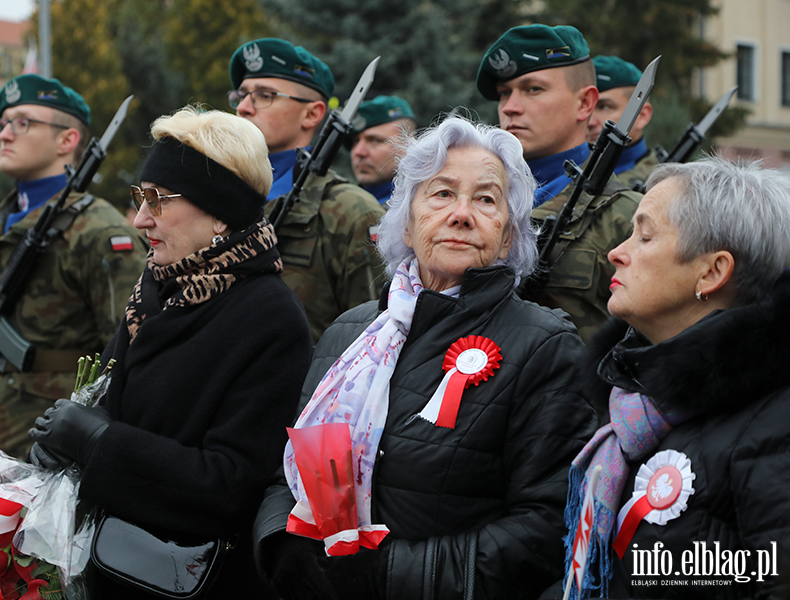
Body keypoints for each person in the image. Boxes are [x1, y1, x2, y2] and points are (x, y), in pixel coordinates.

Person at [253, 116, 597, 600]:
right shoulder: (347, 333)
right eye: (441, 194)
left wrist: (388, 574)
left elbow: (546, 524)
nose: (461, 214)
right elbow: (283, 473)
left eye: (485, 199)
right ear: (408, 224)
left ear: (507, 237)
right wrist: (282, 549)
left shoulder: (544, 345)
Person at [27, 107, 313, 599]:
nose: (140, 219)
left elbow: (232, 485)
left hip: (194, 582)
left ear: (220, 211)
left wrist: (99, 444)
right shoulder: (158, 289)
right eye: (140, 198)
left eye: (158, 201)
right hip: (111, 566)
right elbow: (117, 402)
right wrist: (64, 445)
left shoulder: (271, 318)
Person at [560, 158, 790, 599]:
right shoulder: (626, 404)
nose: (617, 252)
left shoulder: (773, 423)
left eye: (645, 236)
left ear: (711, 272)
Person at [0, 74, 146, 458]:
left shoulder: (100, 233)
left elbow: (128, 356)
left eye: (23, 122)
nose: (5, 134)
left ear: (67, 140)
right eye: (3, 123)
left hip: (46, 452)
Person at [476, 24, 642, 341]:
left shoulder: (627, 218)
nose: (509, 107)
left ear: (584, 104)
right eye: (504, 93)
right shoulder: (474, 202)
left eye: (532, 89)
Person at [228, 37, 385, 341]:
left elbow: (371, 340)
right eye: (242, 95)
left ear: (312, 114)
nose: (244, 108)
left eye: (263, 95)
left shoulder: (350, 213)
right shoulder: (214, 196)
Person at [586, 56, 658, 192]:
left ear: (642, 115)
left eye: (605, 107)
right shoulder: (560, 178)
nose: (590, 121)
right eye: (587, 106)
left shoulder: (666, 186)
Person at [348, 95, 416, 204]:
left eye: (375, 140)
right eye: (356, 141)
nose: (358, 152)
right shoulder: (343, 203)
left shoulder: (421, 209)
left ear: (408, 145)